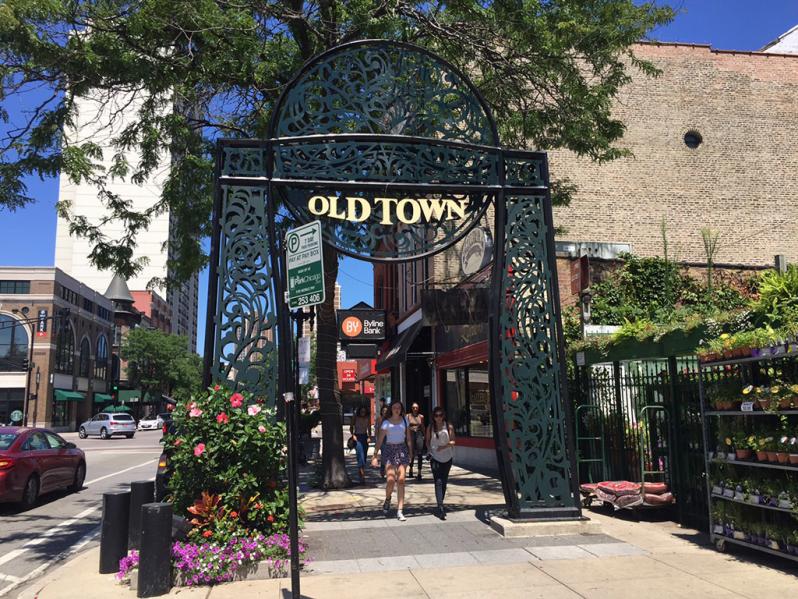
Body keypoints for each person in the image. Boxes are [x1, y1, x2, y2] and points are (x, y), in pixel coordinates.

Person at [371, 401, 413, 521]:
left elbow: (409, 438)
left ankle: (400, 510)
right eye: (394, 407)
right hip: (389, 450)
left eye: (399, 408)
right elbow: (379, 440)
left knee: (401, 480)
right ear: (391, 409)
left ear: (401, 409)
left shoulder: (405, 421)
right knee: (390, 479)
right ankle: (388, 499)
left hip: (402, 450)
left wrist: (411, 452)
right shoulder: (386, 423)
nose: (396, 410)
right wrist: (375, 456)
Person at [426, 406, 455, 520]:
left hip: (447, 457)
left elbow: (453, 441)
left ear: (444, 416)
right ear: (433, 417)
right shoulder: (430, 427)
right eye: (436, 415)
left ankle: (440, 502)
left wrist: (444, 447)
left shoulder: (448, 426)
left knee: (444, 481)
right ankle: (440, 506)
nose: (438, 418)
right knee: (438, 481)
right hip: (435, 458)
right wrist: (429, 450)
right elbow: (427, 441)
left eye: (440, 415)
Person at [349, 406, 371, 483]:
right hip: (357, 437)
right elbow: (351, 427)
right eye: (361, 412)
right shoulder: (355, 417)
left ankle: (361, 469)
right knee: (360, 454)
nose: (363, 413)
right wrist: (353, 435)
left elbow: (369, 428)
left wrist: (369, 436)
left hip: (365, 436)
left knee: (364, 455)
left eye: (364, 412)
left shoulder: (368, 417)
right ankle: (362, 474)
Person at [407, 402, 426, 480]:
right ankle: (410, 469)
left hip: (418, 434)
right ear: (411, 408)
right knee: (411, 453)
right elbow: (406, 427)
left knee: (420, 453)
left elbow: (422, 426)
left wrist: (424, 435)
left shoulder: (421, 417)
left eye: (416, 408)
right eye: (414, 407)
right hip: (411, 434)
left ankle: (419, 472)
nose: (415, 409)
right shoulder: (408, 416)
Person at [375, 404, 390, 479]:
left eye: (386, 411)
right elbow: (377, 430)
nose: (385, 412)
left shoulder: (390, 419)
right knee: (384, 455)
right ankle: (382, 469)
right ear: (381, 411)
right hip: (382, 439)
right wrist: (377, 440)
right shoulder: (379, 419)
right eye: (383, 411)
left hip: (389, 438)